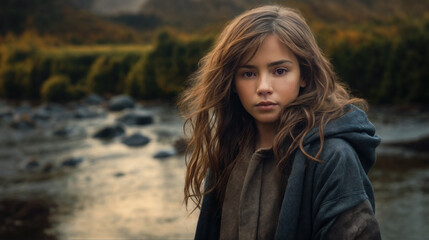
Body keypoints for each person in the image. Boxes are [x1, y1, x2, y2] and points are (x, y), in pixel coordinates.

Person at [178, 5, 381, 240]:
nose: (264, 87)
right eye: (249, 74)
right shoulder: (228, 149)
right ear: (232, 82)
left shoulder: (333, 156)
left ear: (304, 75)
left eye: (280, 71)